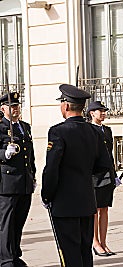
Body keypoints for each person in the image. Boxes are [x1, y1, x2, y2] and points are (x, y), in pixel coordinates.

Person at [41, 84, 111, 266]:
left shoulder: (58, 131)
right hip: (87, 201)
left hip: (65, 204)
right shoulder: (94, 131)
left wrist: (47, 195)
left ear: (65, 106)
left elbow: (51, 169)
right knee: (84, 251)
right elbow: (104, 164)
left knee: (69, 254)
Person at [0, 92, 36, 267]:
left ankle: (15, 254)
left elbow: (31, 153)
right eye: (11, 106)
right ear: (3, 109)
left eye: (17, 105)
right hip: (8, 183)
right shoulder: (0, 127)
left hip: (24, 182)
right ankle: (5, 259)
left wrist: (33, 175)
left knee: (19, 222)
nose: (15, 109)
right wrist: (4, 154)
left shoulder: (24, 127)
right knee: (6, 223)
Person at [86, 101, 121, 256]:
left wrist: (114, 174)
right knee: (94, 210)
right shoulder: (88, 129)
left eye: (104, 111)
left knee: (104, 208)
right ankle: (95, 242)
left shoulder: (107, 130)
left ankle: (104, 242)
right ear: (92, 113)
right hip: (94, 175)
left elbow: (109, 153)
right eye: (100, 111)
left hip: (107, 174)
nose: (104, 113)